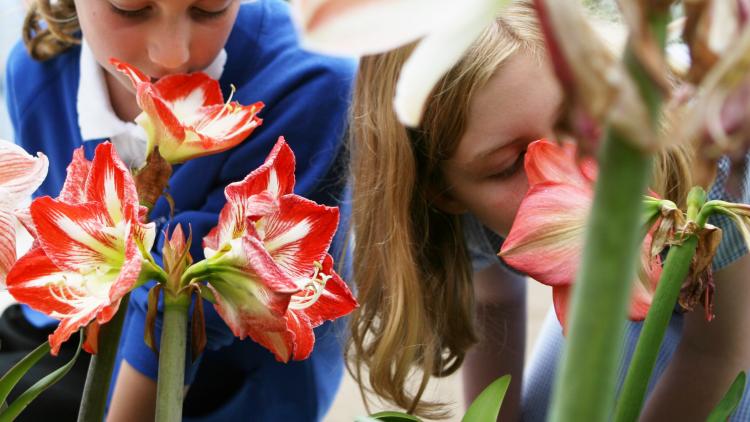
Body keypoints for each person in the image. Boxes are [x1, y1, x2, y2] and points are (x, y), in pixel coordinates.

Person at [345, 1, 750, 421]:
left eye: (575, 121)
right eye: (509, 164)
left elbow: (719, 351)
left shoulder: (706, 158)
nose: (568, 174)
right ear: (443, 193)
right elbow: (494, 303)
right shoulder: (464, 207)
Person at [4, 0, 355, 420]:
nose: (172, 56)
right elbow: (55, 246)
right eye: (130, 8)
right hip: (74, 336)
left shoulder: (312, 80)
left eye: (209, 8)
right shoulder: (36, 66)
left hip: (226, 385)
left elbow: (190, 311)